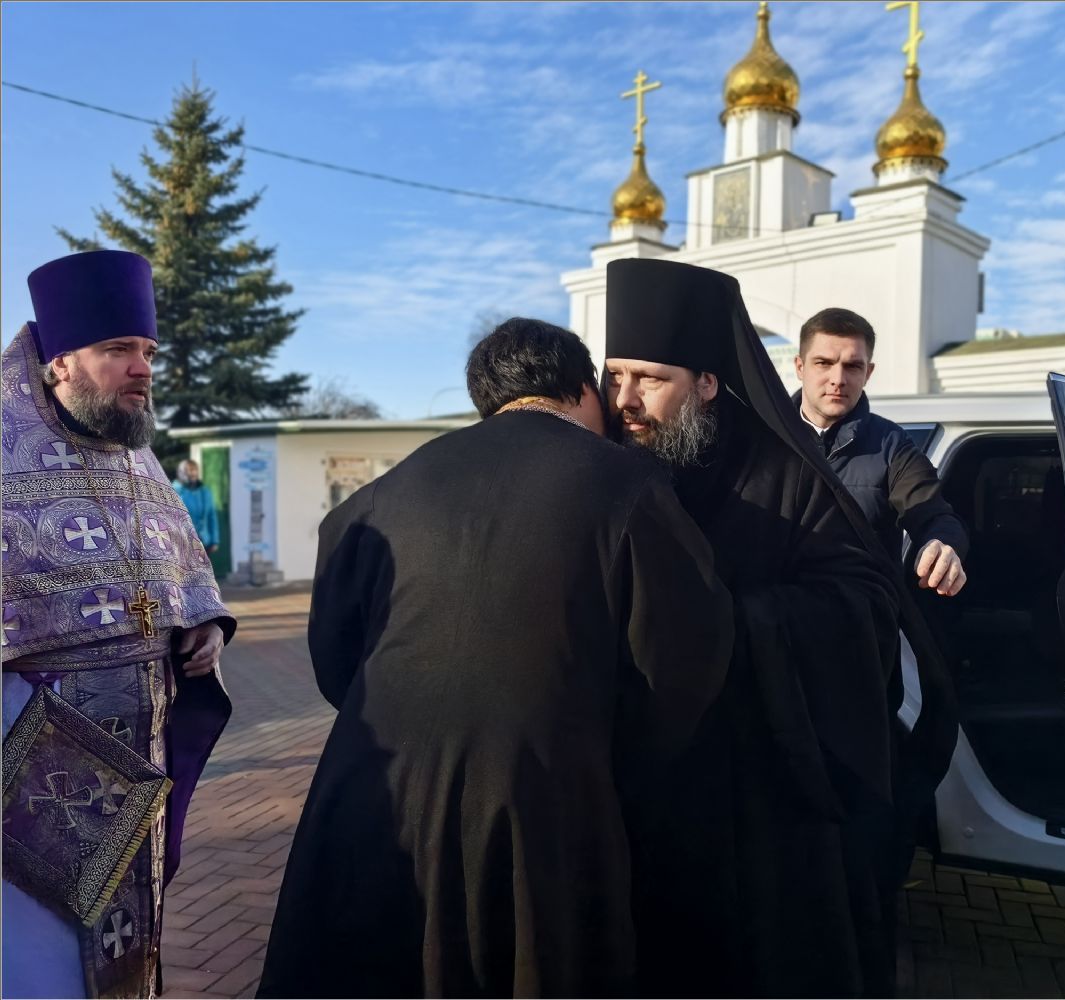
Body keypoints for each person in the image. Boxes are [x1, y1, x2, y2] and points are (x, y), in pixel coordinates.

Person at [259, 318, 732, 998]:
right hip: (537, 800)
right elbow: (681, 662)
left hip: (370, 790)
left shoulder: (384, 491)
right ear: (582, 389)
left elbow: (336, 659)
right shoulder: (628, 483)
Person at [603, 258, 956, 997]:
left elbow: (862, 600)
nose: (626, 401)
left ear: (706, 383)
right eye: (615, 378)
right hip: (639, 781)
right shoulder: (609, 464)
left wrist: (727, 623)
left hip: (756, 781)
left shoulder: (785, 471)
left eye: (650, 380)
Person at [2, 249, 234, 999]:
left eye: (149, 352)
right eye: (118, 350)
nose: (142, 369)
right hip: (31, 767)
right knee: (38, 955)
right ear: (60, 363)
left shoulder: (137, 457)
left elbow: (185, 575)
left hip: (140, 759)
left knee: (127, 943)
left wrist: (203, 627)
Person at [793, 306, 968, 596]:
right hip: (773, 618)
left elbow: (934, 514)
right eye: (823, 363)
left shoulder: (892, 444)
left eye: (853, 366)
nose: (838, 379)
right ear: (800, 367)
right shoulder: (764, 438)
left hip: (860, 617)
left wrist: (943, 544)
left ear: (868, 372)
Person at [172, 459, 220, 555]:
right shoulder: (174, 491)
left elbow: (211, 516)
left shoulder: (205, 492)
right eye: (188, 470)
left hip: (203, 542)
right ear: (181, 473)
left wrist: (214, 540)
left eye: (194, 470)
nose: (192, 473)